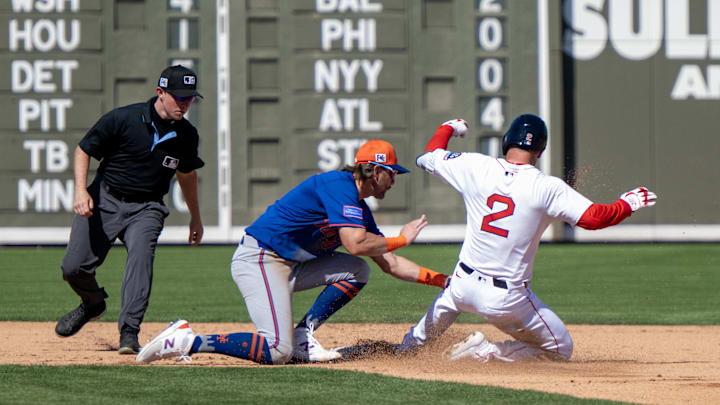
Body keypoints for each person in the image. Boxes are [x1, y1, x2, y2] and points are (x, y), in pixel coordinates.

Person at [136, 139, 450, 364]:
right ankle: (187, 340)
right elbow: (356, 244)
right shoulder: (339, 185)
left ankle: (304, 334)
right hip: (261, 259)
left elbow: (390, 263)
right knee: (276, 350)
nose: (395, 180)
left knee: (359, 270)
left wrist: (442, 281)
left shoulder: (359, 207)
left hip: (292, 265)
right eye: (392, 172)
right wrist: (401, 238)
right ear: (374, 170)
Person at [399, 115, 657, 362]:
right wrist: (628, 203)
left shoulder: (476, 166)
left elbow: (428, 157)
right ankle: (486, 352)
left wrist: (448, 128)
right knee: (560, 349)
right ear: (540, 152)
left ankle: (406, 349)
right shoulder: (546, 187)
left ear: (506, 141)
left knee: (414, 344)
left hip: (460, 286)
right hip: (504, 299)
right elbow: (595, 218)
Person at [55, 65, 205, 355]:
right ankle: (93, 303)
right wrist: (80, 190)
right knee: (73, 268)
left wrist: (195, 217)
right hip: (106, 200)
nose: (185, 104)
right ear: (160, 92)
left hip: (147, 207)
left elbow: (186, 174)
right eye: (179, 97)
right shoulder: (124, 118)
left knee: (140, 260)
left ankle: (129, 333)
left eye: (190, 99)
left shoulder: (187, 135)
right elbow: (83, 150)